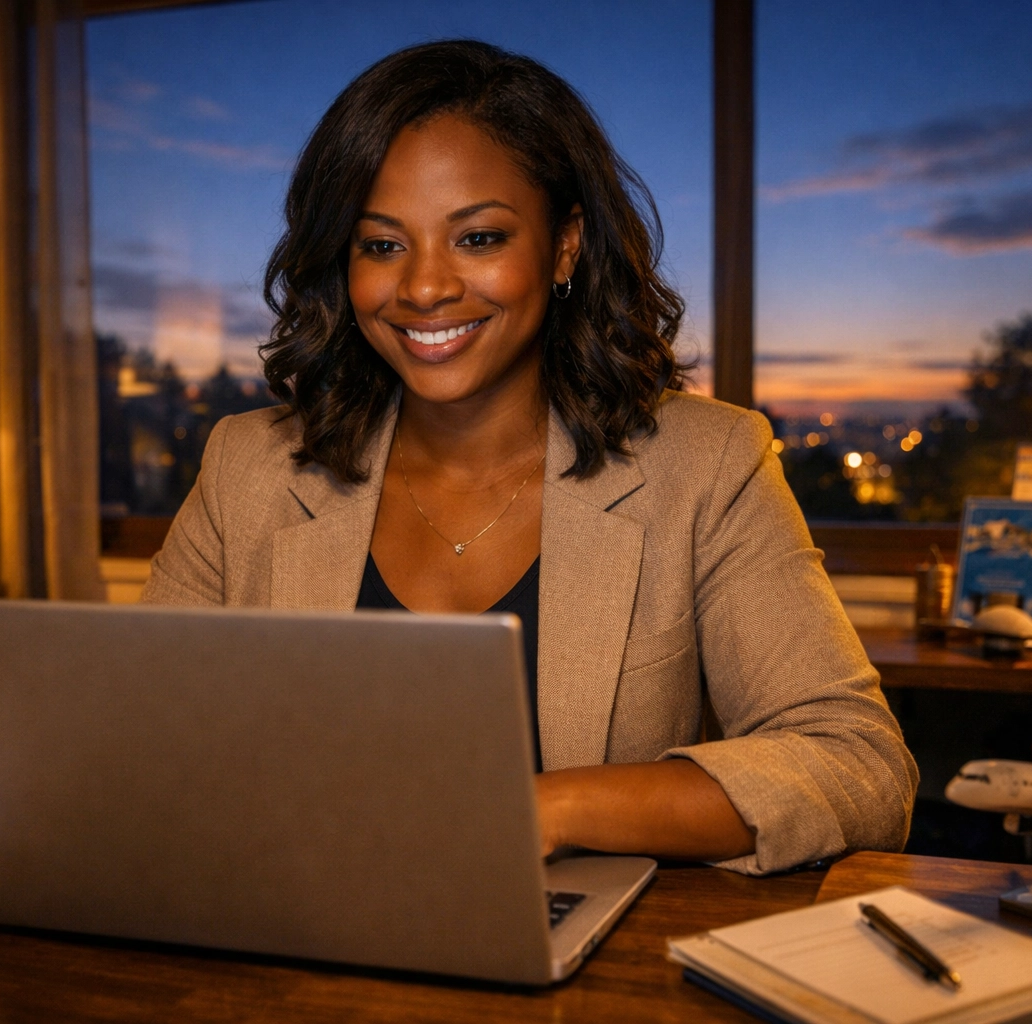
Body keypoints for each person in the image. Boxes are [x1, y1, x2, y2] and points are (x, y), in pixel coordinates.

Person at [144, 39, 917, 874]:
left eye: (478, 238)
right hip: (288, 936)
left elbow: (859, 766)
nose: (425, 288)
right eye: (381, 245)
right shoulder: (248, 467)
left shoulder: (708, 465)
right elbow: (135, 736)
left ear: (564, 247)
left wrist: (547, 807)